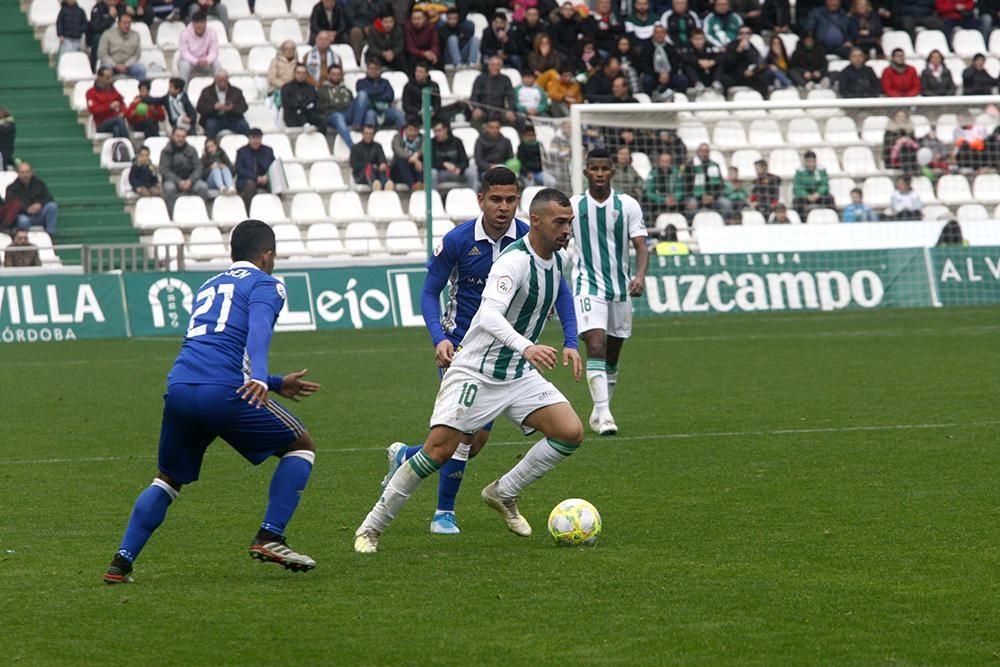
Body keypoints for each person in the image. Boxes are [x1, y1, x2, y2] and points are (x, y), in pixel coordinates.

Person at [354, 187, 583, 552]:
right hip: (476, 369)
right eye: (559, 222)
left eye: (569, 222)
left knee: (569, 432)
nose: (566, 230)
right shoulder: (513, 262)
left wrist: (570, 340)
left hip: (516, 373)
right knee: (438, 452)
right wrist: (528, 346)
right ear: (536, 221)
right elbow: (489, 314)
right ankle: (371, 527)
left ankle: (503, 492)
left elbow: (560, 295)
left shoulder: (556, 259)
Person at [102, 220, 321, 584]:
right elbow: (259, 327)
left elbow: (216, 347)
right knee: (301, 447)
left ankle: (121, 562)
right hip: (224, 391)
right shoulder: (267, 284)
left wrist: (276, 382)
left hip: (180, 387)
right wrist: (258, 376)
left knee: (167, 479)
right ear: (267, 255)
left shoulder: (208, 285)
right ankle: (270, 536)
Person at [571, 148, 648, 435]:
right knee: (595, 345)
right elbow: (555, 243)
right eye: (595, 169)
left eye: (605, 169)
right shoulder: (573, 206)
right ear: (586, 172)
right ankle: (604, 415)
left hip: (620, 288)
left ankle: (599, 408)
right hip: (587, 286)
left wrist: (639, 276)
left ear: (612, 172)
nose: (600, 174)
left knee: (612, 354)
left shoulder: (627, 205)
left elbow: (641, 246)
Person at [160, 127, 210, 214]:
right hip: (172, 181)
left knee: (203, 187)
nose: (180, 139)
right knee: (169, 188)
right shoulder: (166, 151)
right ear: (173, 136)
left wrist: (190, 180)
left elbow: (198, 167)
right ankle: (172, 215)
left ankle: (201, 213)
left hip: (191, 180)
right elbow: (165, 170)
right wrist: (178, 181)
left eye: (183, 137)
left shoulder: (192, 150)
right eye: (178, 136)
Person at [6, 163, 59, 237]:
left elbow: (49, 197)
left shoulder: (39, 183)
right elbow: (10, 206)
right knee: (23, 220)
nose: (25, 175)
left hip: (39, 214)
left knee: (52, 206)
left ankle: (51, 236)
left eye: (27, 172)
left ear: (31, 172)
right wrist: (27, 209)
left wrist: (40, 204)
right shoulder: (11, 188)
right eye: (22, 172)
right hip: (23, 216)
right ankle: (24, 240)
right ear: (18, 173)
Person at [195, 70, 250, 139]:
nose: (222, 83)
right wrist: (214, 107)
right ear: (215, 79)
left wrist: (232, 107)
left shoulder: (236, 91)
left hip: (233, 118)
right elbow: (200, 108)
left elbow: (244, 107)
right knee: (210, 125)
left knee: (243, 125)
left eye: (224, 81)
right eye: (220, 81)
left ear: (227, 79)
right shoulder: (207, 91)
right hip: (214, 118)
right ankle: (211, 147)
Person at [684, 143, 731, 222]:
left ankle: (724, 225)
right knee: (692, 206)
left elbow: (720, 185)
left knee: (726, 204)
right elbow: (686, 186)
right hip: (695, 197)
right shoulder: (689, 166)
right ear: (697, 152)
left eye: (706, 151)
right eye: (702, 151)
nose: (704, 154)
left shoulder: (715, 165)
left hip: (713, 198)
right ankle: (690, 229)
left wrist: (713, 197)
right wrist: (700, 197)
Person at [353, 59, 405, 130]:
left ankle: (405, 137)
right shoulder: (361, 82)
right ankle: (369, 138)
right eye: (371, 69)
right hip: (370, 110)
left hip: (385, 110)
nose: (373, 71)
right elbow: (364, 96)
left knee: (399, 114)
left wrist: (372, 96)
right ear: (367, 69)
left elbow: (390, 96)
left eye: (376, 69)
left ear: (380, 70)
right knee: (370, 115)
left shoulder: (385, 82)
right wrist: (380, 92)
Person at [317, 64, 356, 147]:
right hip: (332, 116)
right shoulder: (322, 90)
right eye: (333, 74)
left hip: (347, 114)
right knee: (338, 117)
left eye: (338, 74)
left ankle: (358, 127)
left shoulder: (347, 90)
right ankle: (353, 148)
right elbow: (321, 108)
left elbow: (352, 104)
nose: (336, 76)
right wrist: (338, 106)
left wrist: (336, 104)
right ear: (328, 75)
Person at [470, 56, 517, 125]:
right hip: (483, 111)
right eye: (492, 65)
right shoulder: (480, 78)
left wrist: (510, 110)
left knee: (513, 119)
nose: (495, 67)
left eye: (497, 65)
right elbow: (474, 96)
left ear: (501, 66)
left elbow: (511, 96)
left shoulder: (505, 79)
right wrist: (476, 108)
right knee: (476, 116)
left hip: (499, 111)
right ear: (489, 66)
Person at [431, 120, 477, 189]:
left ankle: (473, 197)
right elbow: (430, 162)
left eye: (439, 130)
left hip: (457, 172)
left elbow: (465, 161)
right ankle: (433, 198)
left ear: (445, 129)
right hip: (441, 173)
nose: (437, 134)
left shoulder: (456, 142)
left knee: (472, 172)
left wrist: (459, 168)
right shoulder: (432, 142)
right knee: (432, 173)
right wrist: (444, 164)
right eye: (435, 131)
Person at [235, 128, 275, 209]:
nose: (256, 141)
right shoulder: (242, 151)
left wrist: (267, 176)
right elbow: (240, 170)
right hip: (247, 180)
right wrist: (256, 178)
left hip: (265, 179)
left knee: (277, 183)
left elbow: (273, 166)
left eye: (258, 138)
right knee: (250, 184)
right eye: (253, 138)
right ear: (249, 138)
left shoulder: (268, 150)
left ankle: (276, 209)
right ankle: (249, 211)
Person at [98, 14, 146, 80]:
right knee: (105, 70)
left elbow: (136, 55)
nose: (127, 25)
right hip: (111, 64)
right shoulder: (107, 34)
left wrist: (125, 65)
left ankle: (140, 89)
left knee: (141, 69)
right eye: (124, 23)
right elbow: (103, 55)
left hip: (128, 65)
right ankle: (106, 90)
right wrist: (116, 65)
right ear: (118, 23)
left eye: (129, 23)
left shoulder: (135, 35)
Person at [86, 67, 129, 138]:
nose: (110, 80)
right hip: (101, 123)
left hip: (116, 121)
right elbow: (93, 110)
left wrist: (123, 112)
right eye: (107, 78)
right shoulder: (91, 92)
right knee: (119, 120)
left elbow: (122, 103)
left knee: (117, 129)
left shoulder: (112, 90)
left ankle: (117, 148)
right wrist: (109, 107)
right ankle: (130, 143)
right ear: (100, 78)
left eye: (111, 77)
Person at [282, 64, 327, 131]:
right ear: (294, 74)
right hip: (293, 116)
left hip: (308, 114)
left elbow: (313, 101)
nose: (301, 75)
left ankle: (321, 140)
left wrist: (304, 106)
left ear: (306, 74)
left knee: (322, 119)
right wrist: (301, 105)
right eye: (299, 73)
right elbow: (287, 103)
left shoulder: (310, 87)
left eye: (303, 73)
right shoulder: (286, 87)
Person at [177, 11, 220, 82]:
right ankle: (183, 91)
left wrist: (207, 60)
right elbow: (184, 53)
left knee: (217, 64)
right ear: (193, 23)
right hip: (190, 62)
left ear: (206, 23)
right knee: (185, 66)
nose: (199, 25)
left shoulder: (212, 33)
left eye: (201, 22)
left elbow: (214, 52)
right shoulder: (184, 33)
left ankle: (215, 90)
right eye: (196, 23)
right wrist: (196, 61)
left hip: (206, 62)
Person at [350, 125, 393, 190]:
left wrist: (382, 164)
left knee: (383, 169)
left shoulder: (378, 146)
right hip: (361, 175)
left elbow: (382, 159)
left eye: (370, 134)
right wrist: (369, 165)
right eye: (366, 133)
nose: (368, 136)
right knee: (370, 168)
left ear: (373, 135)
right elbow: (354, 164)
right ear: (362, 134)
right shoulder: (355, 148)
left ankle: (386, 184)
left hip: (377, 173)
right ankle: (376, 184)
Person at [792, 150, 834, 216]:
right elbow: (797, 188)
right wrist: (806, 195)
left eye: (812, 161)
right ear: (805, 162)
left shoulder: (821, 170)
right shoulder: (799, 172)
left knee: (830, 198)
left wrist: (818, 193)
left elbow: (825, 185)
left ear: (815, 161)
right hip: (805, 197)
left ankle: (833, 218)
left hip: (818, 196)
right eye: (808, 162)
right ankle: (801, 221)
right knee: (797, 201)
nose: (810, 164)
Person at [391, 118, 424, 188]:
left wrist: (417, 155)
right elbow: (398, 151)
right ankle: (413, 186)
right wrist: (414, 158)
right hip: (398, 171)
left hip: (415, 169)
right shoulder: (397, 138)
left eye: (415, 130)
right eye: (410, 130)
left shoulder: (422, 138)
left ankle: (421, 184)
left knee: (423, 161)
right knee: (402, 161)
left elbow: (424, 148)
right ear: (405, 130)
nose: (412, 133)